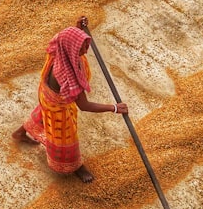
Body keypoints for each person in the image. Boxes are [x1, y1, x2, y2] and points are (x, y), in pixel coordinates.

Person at [12, 16, 128, 182]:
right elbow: (84, 105)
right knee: (65, 136)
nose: (86, 50)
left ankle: (20, 132)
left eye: (86, 45)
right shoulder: (68, 76)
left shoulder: (59, 49)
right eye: (81, 48)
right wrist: (114, 108)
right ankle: (75, 167)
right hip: (58, 105)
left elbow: (67, 38)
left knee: (44, 112)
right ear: (71, 50)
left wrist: (78, 29)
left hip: (47, 95)